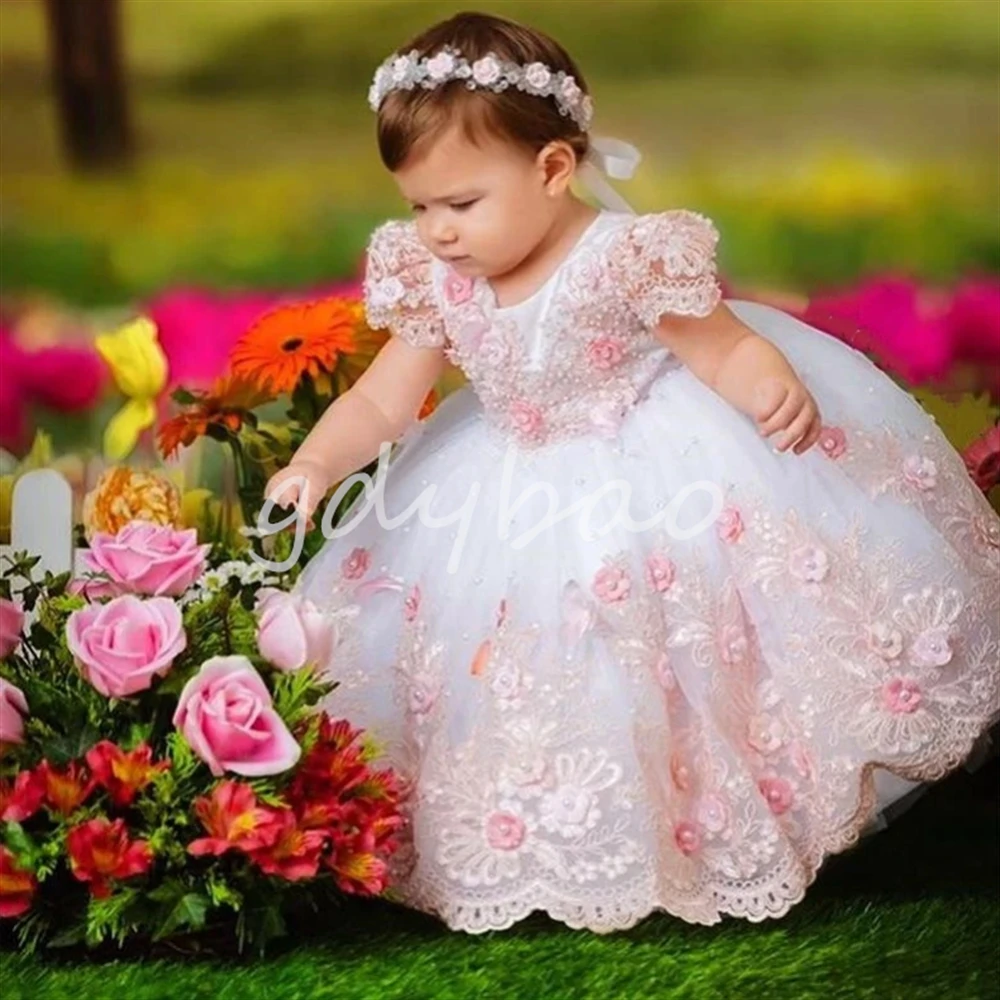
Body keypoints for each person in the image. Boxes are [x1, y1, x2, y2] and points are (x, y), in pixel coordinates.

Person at [263, 11, 1000, 934]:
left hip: (653, 464)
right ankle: (543, 835)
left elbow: (720, 346)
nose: (437, 233)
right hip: (502, 482)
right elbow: (381, 401)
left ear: (553, 170)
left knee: (663, 640)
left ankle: (698, 822)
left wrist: (768, 382)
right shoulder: (437, 277)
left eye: (461, 205)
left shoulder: (625, 257)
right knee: (514, 656)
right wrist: (316, 460)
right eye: (419, 207)